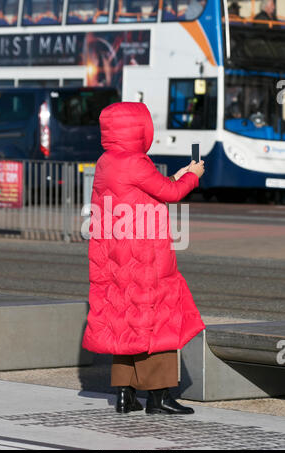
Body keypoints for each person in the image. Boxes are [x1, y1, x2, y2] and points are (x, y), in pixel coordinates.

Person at [82, 102, 206, 415]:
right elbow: (172, 194)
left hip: (113, 258)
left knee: (123, 320)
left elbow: (145, 191)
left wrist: (175, 177)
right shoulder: (136, 160)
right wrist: (192, 176)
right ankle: (158, 397)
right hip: (143, 257)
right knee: (157, 319)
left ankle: (125, 394)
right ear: (140, 128)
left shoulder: (106, 160)